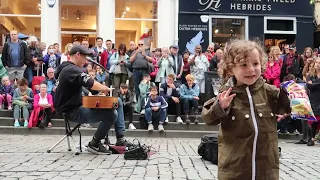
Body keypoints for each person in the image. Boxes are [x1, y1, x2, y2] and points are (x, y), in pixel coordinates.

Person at [202, 40, 290, 179]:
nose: (251, 69)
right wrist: (220, 106)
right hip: (235, 170)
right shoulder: (226, 94)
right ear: (231, 69)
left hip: (266, 169)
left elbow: (289, 108)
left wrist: (293, 95)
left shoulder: (270, 92)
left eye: (255, 63)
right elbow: (208, 117)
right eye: (243, 65)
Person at [54, 45, 117, 155]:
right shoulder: (71, 69)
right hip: (73, 112)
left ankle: (118, 138)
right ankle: (95, 143)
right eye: (85, 57)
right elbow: (90, 83)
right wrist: (105, 88)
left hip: (75, 107)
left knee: (116, 104)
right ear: (77, 55)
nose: (86, 61)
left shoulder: (66, 68)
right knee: (112, 114)